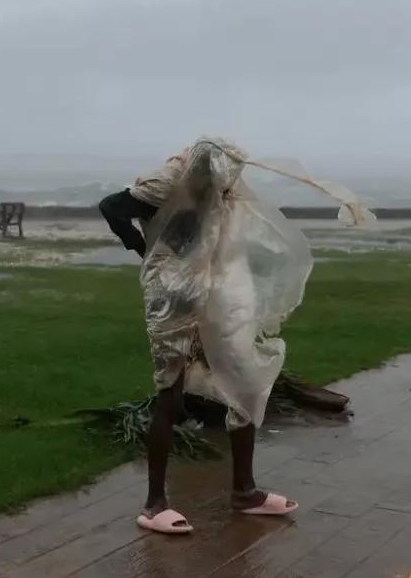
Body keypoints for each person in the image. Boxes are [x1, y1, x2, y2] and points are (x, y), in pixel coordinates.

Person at [99, 139, 299, 536]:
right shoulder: (166, 181)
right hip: (171, 296)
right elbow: (112, 206)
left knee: (243, 383)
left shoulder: (225, 184)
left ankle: (245, 490)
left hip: (216, 292)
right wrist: (143, 248)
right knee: (169, 392)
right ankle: (155, 503)